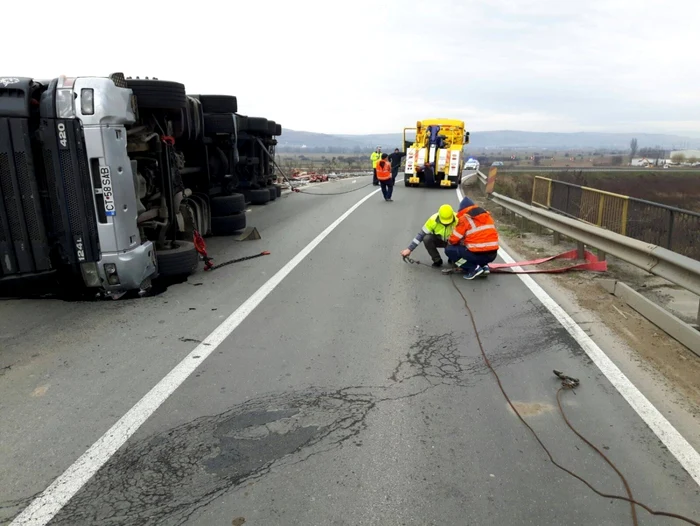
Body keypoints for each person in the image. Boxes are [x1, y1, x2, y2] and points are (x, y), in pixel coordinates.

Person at [445, 198, 500, 280]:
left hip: (477, 255)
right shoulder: (487, 216)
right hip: (492, 255)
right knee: (476, 249)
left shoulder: (465, 218)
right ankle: (484, 266)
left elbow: (453, 239)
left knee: (449, 250)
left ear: (462, 209)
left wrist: (450, 242)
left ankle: (473, 268)